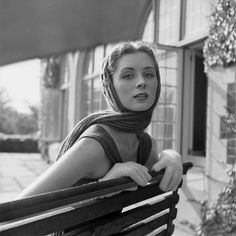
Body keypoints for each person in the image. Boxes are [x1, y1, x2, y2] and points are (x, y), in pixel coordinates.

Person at [18, 41, 183, 200]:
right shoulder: (94, 146)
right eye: (128, 75)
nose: (142, 82)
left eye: (149, 74)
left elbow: (157, 163)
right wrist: (103, 187)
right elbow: (17, 212)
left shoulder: (146, 145)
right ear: (110, 85)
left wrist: (171, 155)